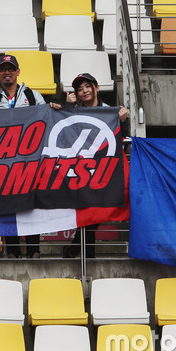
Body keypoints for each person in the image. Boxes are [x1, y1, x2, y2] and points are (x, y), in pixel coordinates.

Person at [0, 43, 61, 258]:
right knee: (6, 205)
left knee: (31, 204)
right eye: (3, 69)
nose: (7, 72)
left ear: (18, 72)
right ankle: (12, 251)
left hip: (30, 161)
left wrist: (58, 106)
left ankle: (34, 250)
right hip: (3, 162)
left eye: (11, 69)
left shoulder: (33, 95)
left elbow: (48, 119)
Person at [63, 72, 128, 258]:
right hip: (81, 169)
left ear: (97, 88)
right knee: (88, 212)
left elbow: (121, 138)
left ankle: (75, 250)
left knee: (95, 213)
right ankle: (85, 254)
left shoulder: (112, 112)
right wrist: (67, 105)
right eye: (80, 88)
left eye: (87, 86)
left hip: (104, 169)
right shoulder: (74, 111)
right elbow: (64, 130)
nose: (84, 91)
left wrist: (123, 121)